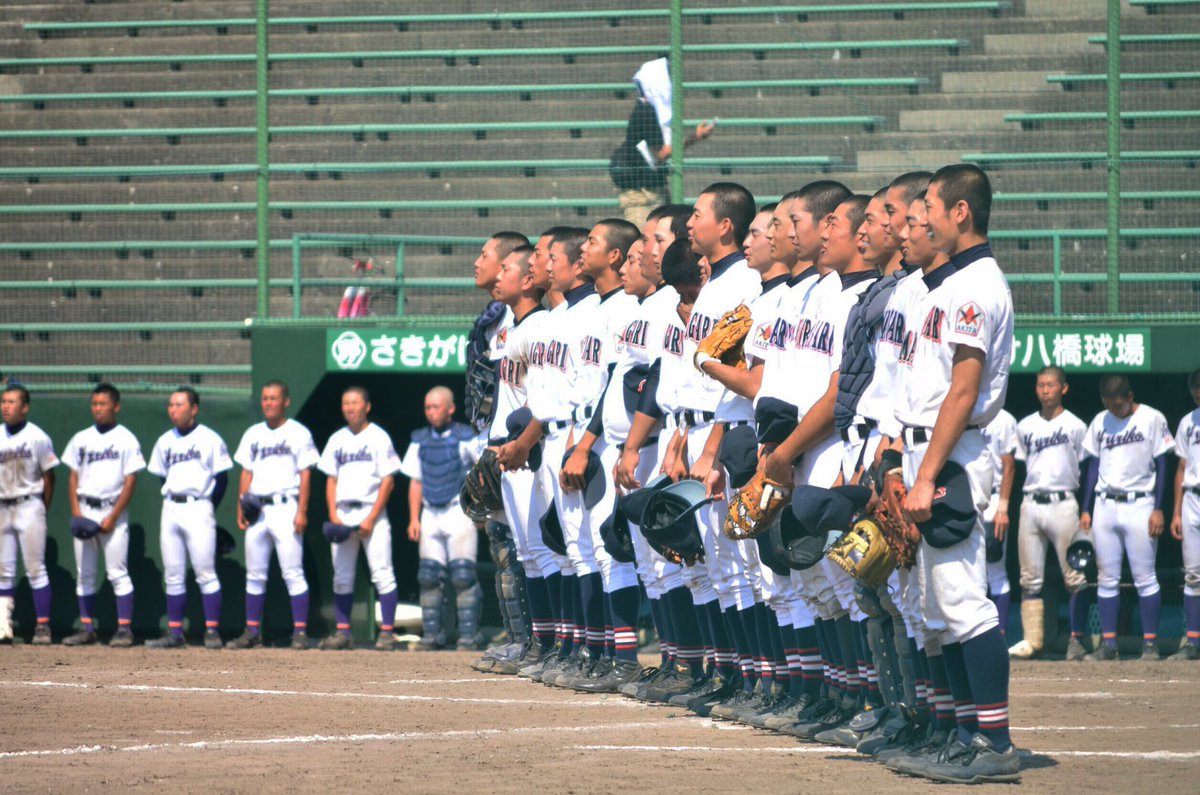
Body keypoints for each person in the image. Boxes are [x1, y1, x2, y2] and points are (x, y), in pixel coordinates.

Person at [885, 164, 1018, 783]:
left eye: (932, 206)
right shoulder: (943, 285)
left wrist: (925, 475)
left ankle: (994, 742)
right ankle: (963, 734)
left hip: (954, 455)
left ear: (960, 212)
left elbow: (963, 392)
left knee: (963, 600)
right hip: (928, 450)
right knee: (935, 607)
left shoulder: (977, 285)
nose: (923, 217)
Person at [465, 231, 533, 671]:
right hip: (495, 439)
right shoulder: (492, 319)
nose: (478, 261)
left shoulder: (532, 318)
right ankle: (518, 638)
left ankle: (535, 642)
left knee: (526, 550)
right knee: (502, 546)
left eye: (487, 255)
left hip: (523, 443)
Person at [1079, 374, 1174, 661]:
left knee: (1145, 577)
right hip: (1105, 503)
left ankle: (1150, 645)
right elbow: (1093, 466)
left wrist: (1159, 508)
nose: (1113, 409)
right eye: (1107, 404)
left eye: (1117, 404)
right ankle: (1109, 646)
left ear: (1130, 397)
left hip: (1140, 503)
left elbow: (1163, 463)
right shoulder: (1101, 420)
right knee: (1106, 578)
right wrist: (1086, 508)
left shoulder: (1152, 418)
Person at [227, 380, 318, 650]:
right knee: (254, 574)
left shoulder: (298, 433)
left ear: (286, 402)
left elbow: (305, 474)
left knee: (293, 572)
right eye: (265, 398)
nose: (268, 403)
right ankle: (252, 631)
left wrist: (302, 511)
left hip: (285, 506)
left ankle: (300, 632)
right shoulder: (253, 433)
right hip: (257, 508)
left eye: (274, 398)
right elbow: (246, 472)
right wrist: (240, 506)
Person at [1008, 366, 1089, 661]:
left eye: (1051, 385)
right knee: (1029, 578)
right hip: (1031, 502)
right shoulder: (1025, 425)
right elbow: (1018, 465)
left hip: (1064, 502)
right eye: (1040, 385)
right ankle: (1033, 642)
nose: (1045, 390)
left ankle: (1077, 640)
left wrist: (1086, 508)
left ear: (1063, 388)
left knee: (1075, 577)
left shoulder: (1076, 425)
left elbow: (1087, 467)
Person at [146, 387, 232, 649]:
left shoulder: (209, 438)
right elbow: (163, 477)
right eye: (171, 405)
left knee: (205, 573)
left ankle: (212, 631)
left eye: (179, 404)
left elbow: (222, 478)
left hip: (199, 506)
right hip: (171, 506)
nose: (173, 410)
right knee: (173, 573)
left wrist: (209, 508)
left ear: (194, 409)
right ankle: (175, 633)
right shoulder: (164, 441)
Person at [317, 386, 402, 651]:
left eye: (354, 403)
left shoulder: (378, 436)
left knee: (383, 573)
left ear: (367, 406)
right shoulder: (337, 439)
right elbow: (330, 479)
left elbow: (388, 481)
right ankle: (343, 632)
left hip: (371, 510)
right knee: (341, 576)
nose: (349, 408)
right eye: (346, 403)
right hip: (343, 511)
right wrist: (333, 515)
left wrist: (372, 518)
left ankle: (386, 633)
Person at [61, 383, 144, 647]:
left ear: (116, 406)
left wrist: (114, 516)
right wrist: (76, 512)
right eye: (94, 404)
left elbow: (131, 480)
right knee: (84, 573)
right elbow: (73, 477)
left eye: (103, 404)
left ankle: (124, 630)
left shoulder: (126, 438)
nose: (97, 409)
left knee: (117, 573)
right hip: (85, 507)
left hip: (112, 509)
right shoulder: (81, 438)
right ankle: (87, 628)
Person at [400, 386, 480, 651]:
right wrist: (413, 519)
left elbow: (481, 473)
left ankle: (468, 636)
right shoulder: (419, 440)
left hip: (458, 510)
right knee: (428, 576)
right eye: (427, 407)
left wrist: (481, 511)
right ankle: (433, 635)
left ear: (450, 408)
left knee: (463, 576)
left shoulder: (466, 438)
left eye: (436, 407)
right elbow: (415, 482)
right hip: (430, 513)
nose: (431, 412)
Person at [609, 57, 714, 227]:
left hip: (649, 191)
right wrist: (695, 137)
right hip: (642, 197)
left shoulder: (648, 109)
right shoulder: (647, 112)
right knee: (645, 239)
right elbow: (661, 154)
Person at [0, 385, 59, 645]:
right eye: (3, 401)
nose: (5, 406)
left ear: (25, 408)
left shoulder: (38, 437)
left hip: (29, 503)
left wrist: (42, 507)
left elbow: (50, 476)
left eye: (11, 402)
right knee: (3, 570)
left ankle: (43, 626)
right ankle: (3, 626)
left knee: (35, 568)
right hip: (3, 505)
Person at [1170, 367, 1200, 659]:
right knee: (1193, 574)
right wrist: (1176, 513)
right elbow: (1181, 468)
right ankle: (1193, 641)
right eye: (1196, 397)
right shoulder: (1188, 422)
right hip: (1192, 497)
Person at [980, 409, 1017, 636]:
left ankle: (999, 634)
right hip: (967, 497)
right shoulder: (961, 410)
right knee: (972, 574)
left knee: (995, 571)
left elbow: (1009, 465)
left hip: (993, 498)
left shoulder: (1003, 418)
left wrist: (1003, 508)